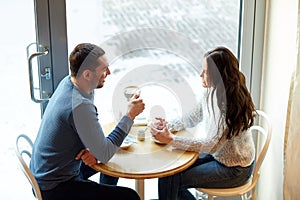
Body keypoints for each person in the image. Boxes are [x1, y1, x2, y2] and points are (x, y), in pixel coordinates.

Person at [30, 43, 145, 200]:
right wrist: (130, 115)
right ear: (87, 74)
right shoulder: (79, 105)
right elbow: (104, 153)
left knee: (112, 158)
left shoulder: (71, 82)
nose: (109, 73)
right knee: (130, 196)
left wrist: (97, 152)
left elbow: (91, 140)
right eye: (104, 69)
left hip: (49, 169)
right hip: (56, 187)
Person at [150, 46, 256, 200]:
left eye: (205, 71)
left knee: (171, 180)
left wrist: (171, 140)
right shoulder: (211, 92)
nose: (201, 74)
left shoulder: (228, 104)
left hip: (235, 169)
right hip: (218, 156)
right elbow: (192, 117)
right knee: (169, 172)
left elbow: (211, 144)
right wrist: (167, 125)